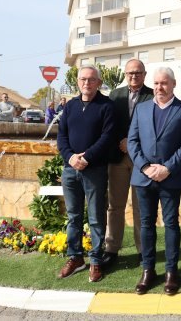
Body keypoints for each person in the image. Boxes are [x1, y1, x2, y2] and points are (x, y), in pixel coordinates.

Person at [128, 67, 181, 296]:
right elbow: (132, 142)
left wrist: (167, 168)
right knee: (146, 225)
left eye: (164, 83)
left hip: (170, 177)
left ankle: (171, 272)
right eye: (156, 83)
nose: (159, 88)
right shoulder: (141, 108)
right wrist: (146, 167)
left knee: (171, 224)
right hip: (143, 178)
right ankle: (148, 270)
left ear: (173, 84)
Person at [56, 65, 116, 283]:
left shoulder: (106, 106)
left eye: (91, 80)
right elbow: (61, 135)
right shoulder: (70, 106)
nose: (86, 83)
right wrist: (71, 157)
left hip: (95, 170)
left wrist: (86, 157)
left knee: (96, 218)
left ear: (98, 82)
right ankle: (75, 258)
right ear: (77, 82)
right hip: (70, 169)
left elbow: (108, 137)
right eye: (83, 79)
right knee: (73, 217)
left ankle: (95, 261)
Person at [101, 59, 153, 268]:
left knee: (141, 207)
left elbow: (153, 127)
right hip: (118, 158)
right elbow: (109, 125)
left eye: (138, 73)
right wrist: (120, 142)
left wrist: (131, 144)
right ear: (125, 74)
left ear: (144, 74)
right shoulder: (115, 95)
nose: (134, 76)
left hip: (142, 159)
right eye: (131, 73)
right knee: (115, 206)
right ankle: (112, 248)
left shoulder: (152, 95)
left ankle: (143, 250)